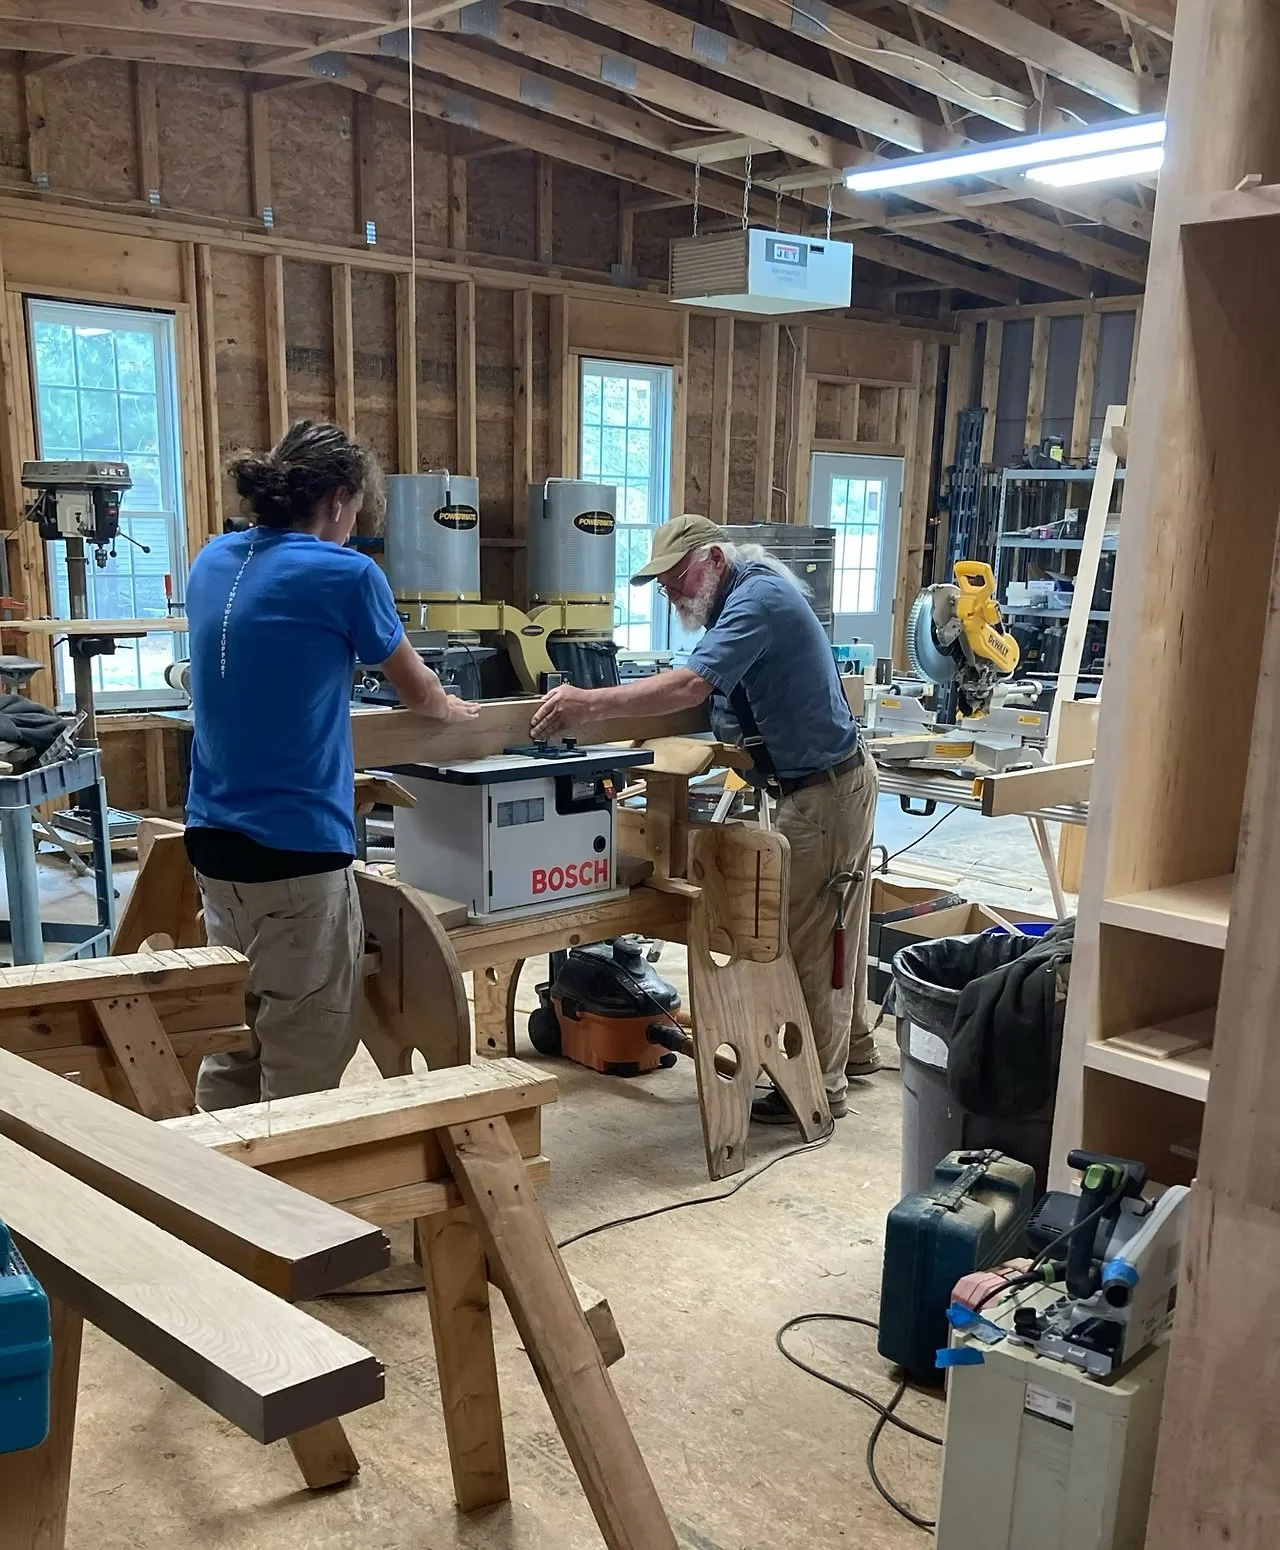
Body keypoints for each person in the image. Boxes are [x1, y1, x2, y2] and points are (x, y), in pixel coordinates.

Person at [531, 513, 878, 1124]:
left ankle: (818, 1090)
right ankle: (852, 1052)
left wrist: (589, 705)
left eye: (676, 577)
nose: (670, 592)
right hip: (811, 785)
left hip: (823, 792)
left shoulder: (759, 599)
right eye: (662, 584)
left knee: (807, 940)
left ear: (714, 559)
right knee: (833, 924)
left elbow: (692, 687)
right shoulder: (742, 596)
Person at [184, 420, 478, 1110]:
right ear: (341, 500)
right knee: (305, 1056)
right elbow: (420, 693)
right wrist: (455, 712)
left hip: (212, 843)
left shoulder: (212, 559)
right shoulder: (346, 573)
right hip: (293, 853)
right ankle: (287, 1212)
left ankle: (214, 1197)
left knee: (237, 1037)